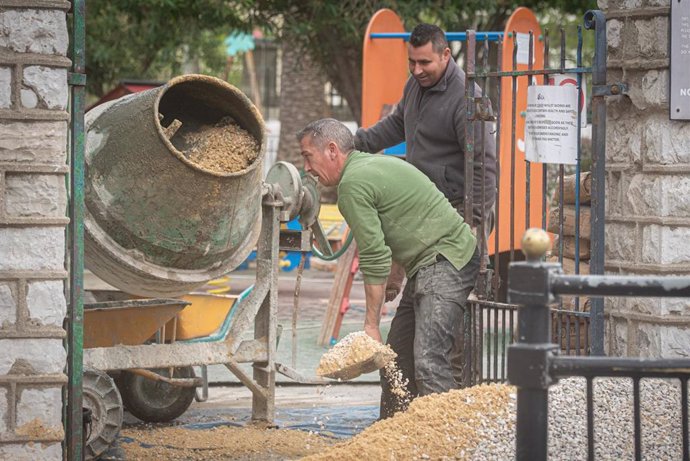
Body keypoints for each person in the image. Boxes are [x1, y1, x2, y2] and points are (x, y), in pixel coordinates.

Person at [297, 118, 479, 419]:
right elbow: (399, 222)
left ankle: (449, 440)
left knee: (429, 360)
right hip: (430, 261)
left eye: (307, 156)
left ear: (331, 150)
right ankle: (394, 437)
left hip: (446, 259)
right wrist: (396, 275)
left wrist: (370, 325)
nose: (306, 168)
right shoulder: (368, 166)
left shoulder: (353, 185)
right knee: (396, 359)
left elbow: (373, 254)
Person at [354, 22, 497, 295]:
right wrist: (358, 142)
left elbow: (484, 165)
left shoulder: (466, 98)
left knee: (450, 293)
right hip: (424, 204)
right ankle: (402, 295)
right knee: (424, 287)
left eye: (424, 62)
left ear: (445, 55)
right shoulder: (415, 86)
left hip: (457, 210)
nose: (417, 69)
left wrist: (473, 222)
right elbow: (397, 124)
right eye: (412, 62)